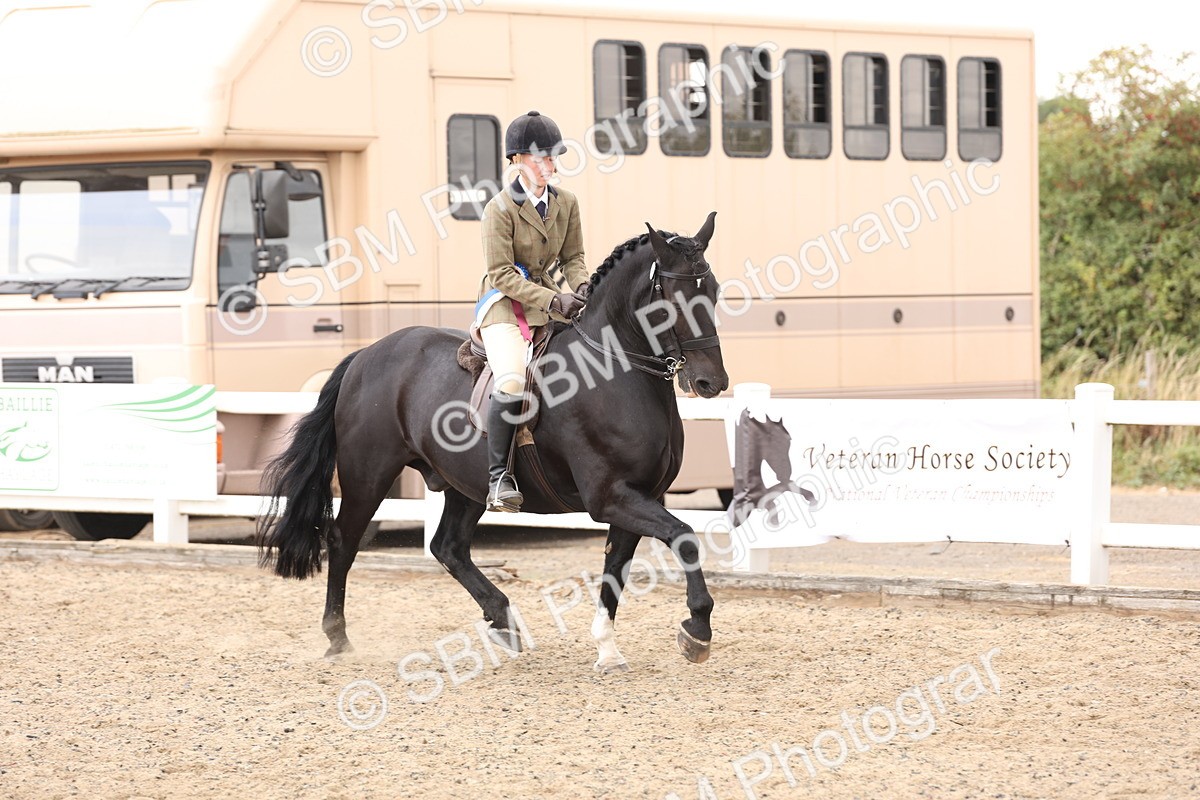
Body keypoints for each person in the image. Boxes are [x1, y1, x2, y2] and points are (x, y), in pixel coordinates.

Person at [472, 110, 591, 512]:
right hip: (505, 307)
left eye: (553, 158)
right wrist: (553, 299)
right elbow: (501, 273)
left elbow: (573, 256)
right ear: (518, 161)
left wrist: (583, 286)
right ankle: (498, 479)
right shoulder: (499, 210)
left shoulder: (567, 202)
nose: (549, 166)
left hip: (549, 303)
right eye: (540, 159)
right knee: (510, 380)